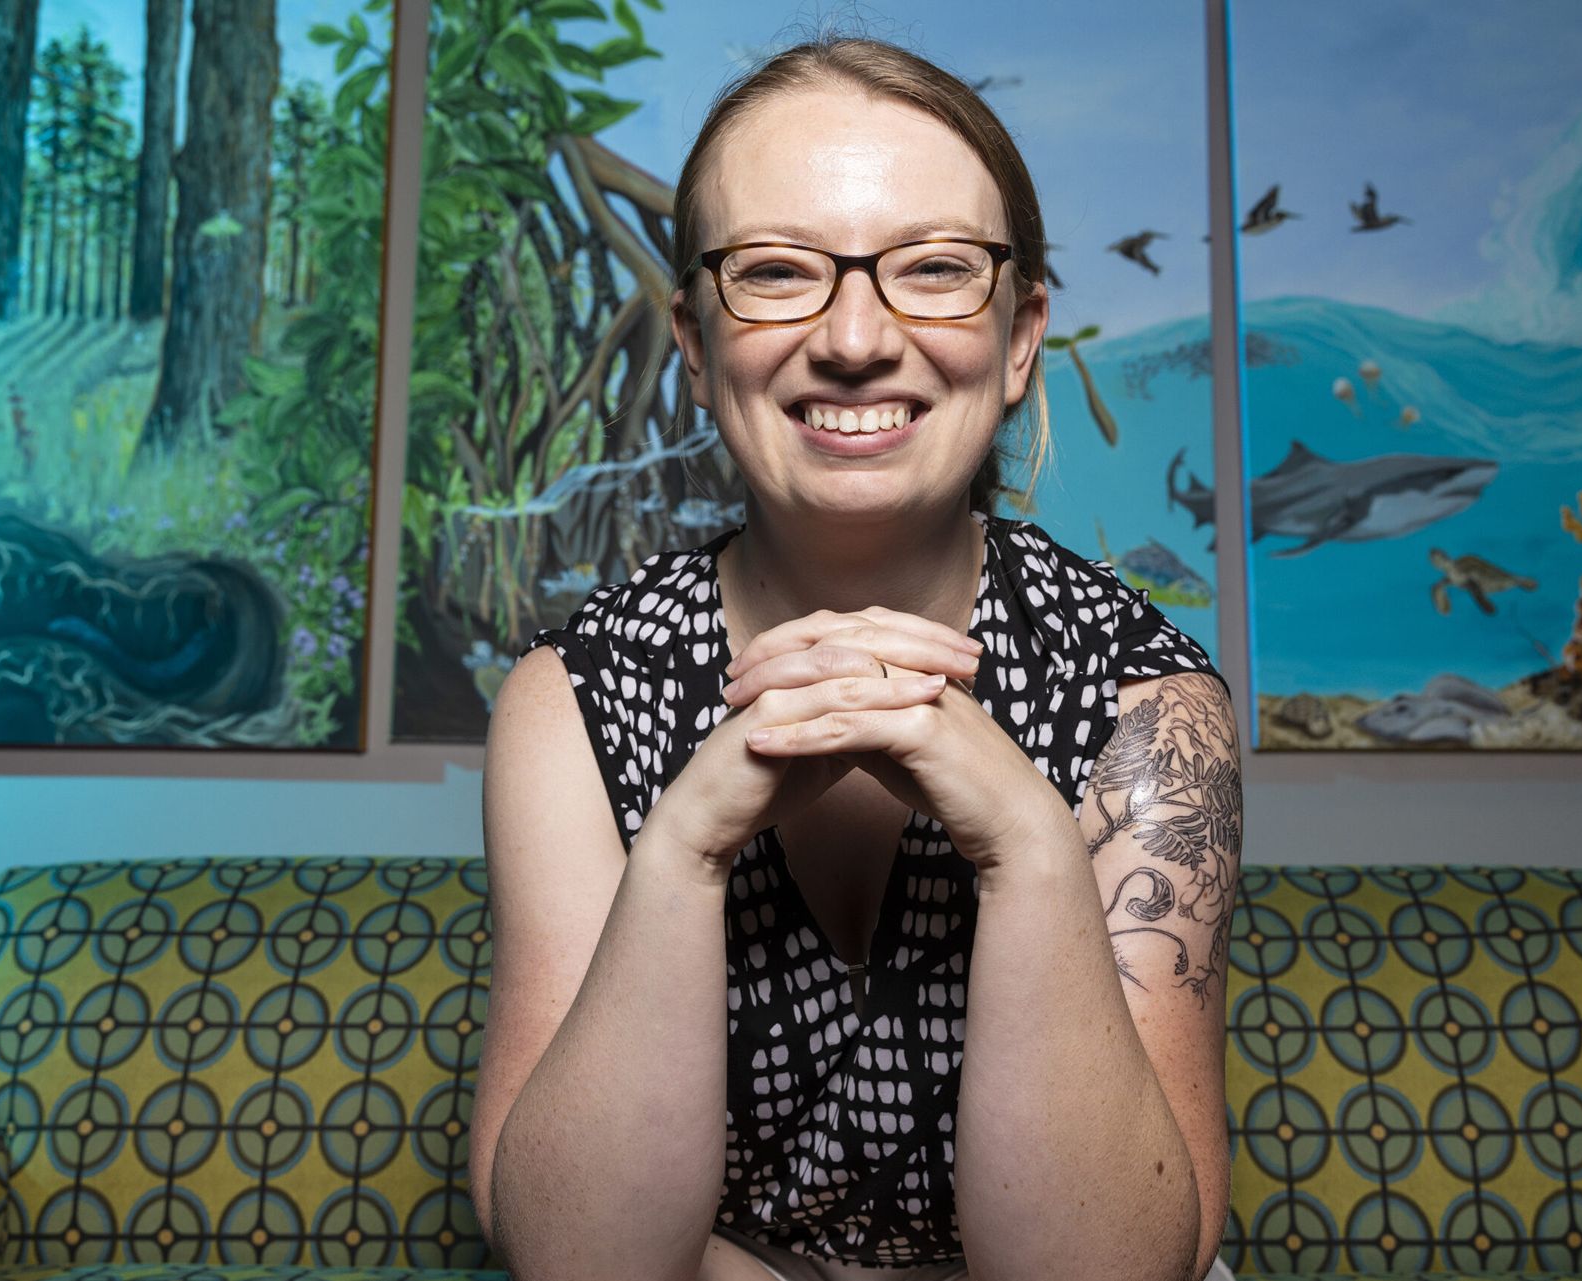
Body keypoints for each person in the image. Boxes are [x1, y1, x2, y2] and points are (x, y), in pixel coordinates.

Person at [472, 34, 1242, 1281]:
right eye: (775, 272)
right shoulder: (571, 700)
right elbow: (578, 1263)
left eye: (935, 269)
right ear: (691, 336)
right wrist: (682, 849)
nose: (853, 338)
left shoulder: (1152, 710)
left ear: (1023, 331)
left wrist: (1032, 846)